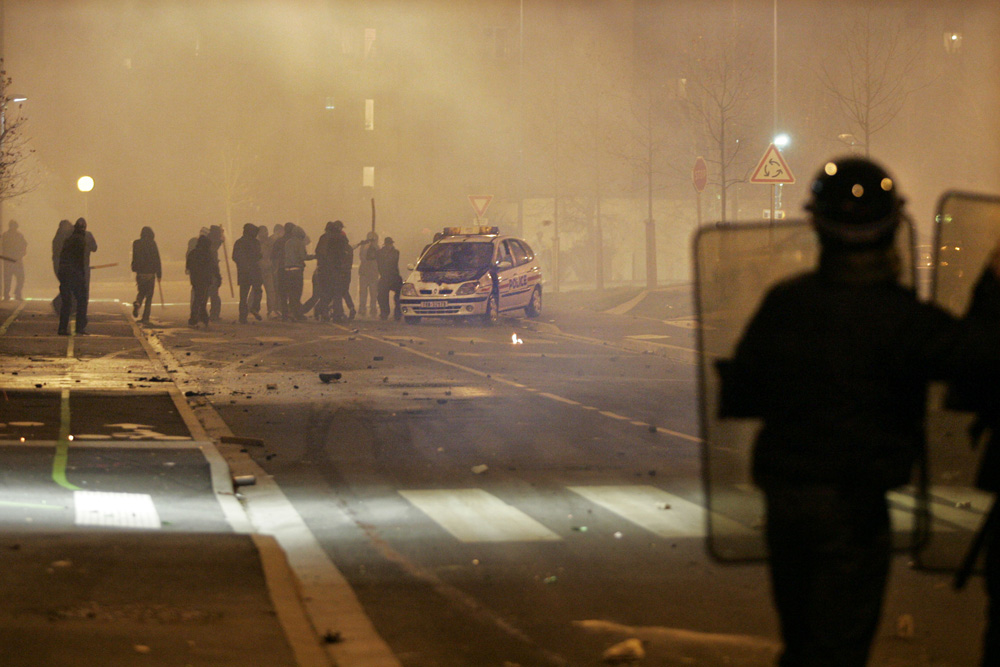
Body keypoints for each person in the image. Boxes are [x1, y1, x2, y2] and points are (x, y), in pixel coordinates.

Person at [717, 157, 1000, 667]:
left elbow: (743, 394)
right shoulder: (903, 319)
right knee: (837, 650)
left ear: (817, 225)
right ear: (893, 226)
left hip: (788, 503)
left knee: (802, 644)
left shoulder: (786, 302)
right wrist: (994, 285)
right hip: (854, 509)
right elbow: (982, 357)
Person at [57, 218, 95, 335]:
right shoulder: (82, 240)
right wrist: (82, 276)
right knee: (82, 300)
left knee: (67, 302)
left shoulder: (68, 239)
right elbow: (79, 260)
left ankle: (62, 328)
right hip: (75, 273)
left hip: (64, 273)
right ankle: (80, 327)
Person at [232, 222, 263, 323]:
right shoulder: (256, 242)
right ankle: (255, 307)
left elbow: (235, 257)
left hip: (243, 272)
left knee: (243, 296)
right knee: (258, 290)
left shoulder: (239, 242)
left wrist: (242, 265)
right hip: (254, 270)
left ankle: (242, 317)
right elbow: (258, 255)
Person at [130, 226, 161, 325]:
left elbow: (135, 257)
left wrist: (135, 267)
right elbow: (157, 259)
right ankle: (145, 317)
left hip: (140, 272)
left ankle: (138, 303)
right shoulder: (152, 244)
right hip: (150, 273)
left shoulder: (136, 243)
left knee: (141, 292)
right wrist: (159, 273)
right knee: (149, 296)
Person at [280, 223, 310, 321]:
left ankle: (290, 313)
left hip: (287, 271)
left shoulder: (288, 242)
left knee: (290, 293)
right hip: (297, 271)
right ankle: (297, 314)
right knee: (297, 293)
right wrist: (314, 256)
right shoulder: (300, 243)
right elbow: (303, 257)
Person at [186, 234, 217, 329]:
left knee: (199, 298)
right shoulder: (208, 253)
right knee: (201, 299)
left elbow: (188, 266)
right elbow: (213, 267)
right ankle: (196, 318)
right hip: (205, 279)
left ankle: (202, 318)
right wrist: (217, 277)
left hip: (195, 279)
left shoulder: (193, 253)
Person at [51, 219, 74, 314]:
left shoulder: (68, 236)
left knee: (69, 286)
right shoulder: (60, 238)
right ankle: (58, 304)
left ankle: (65, 306)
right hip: (62, 265)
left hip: (65, 265)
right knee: (68, 285)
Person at [376, 236, 402, 321]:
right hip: (384, 276)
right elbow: (370, 257)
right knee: (381, 296)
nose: (389, 246)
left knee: (399, 295)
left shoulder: (395, 252)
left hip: (394, 276)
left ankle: (397, 313)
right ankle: (384, 312)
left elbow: (391, 261)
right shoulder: (380, 252)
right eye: (388, 244)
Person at [1, 220, 27, 301]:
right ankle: (9, 294)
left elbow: (24, 245)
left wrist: (22, 253)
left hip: (13, 259)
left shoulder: (16, 235)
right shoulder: (7, 235)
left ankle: (15, 293)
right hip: (11, 259)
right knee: (9, 278)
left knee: (20, 278)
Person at [357, 231, 379, 317]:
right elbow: (362, 257)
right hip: (364, 272)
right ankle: (362, 308)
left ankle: (373, 308)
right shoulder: (363, 247)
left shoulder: (377, 248)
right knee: (363, 292)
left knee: (373, 292)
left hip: (373, 273)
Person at [257, 225, 278, 319]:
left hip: (268, 269)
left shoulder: (270, 242)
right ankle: (251, 308)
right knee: (256, 290)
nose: (266, 233)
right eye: (263, 231)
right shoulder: (256, 243)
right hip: (259, 269)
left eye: (266, 231)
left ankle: (271, 310)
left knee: (270, 291)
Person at [207, 225, 225, 321]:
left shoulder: (209, 239)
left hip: (207, 271)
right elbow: (215, 245)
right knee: (213, 294)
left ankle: (201, 314)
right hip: (211, 271)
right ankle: (214, 314)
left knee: (209, 294)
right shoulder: (212, 241)